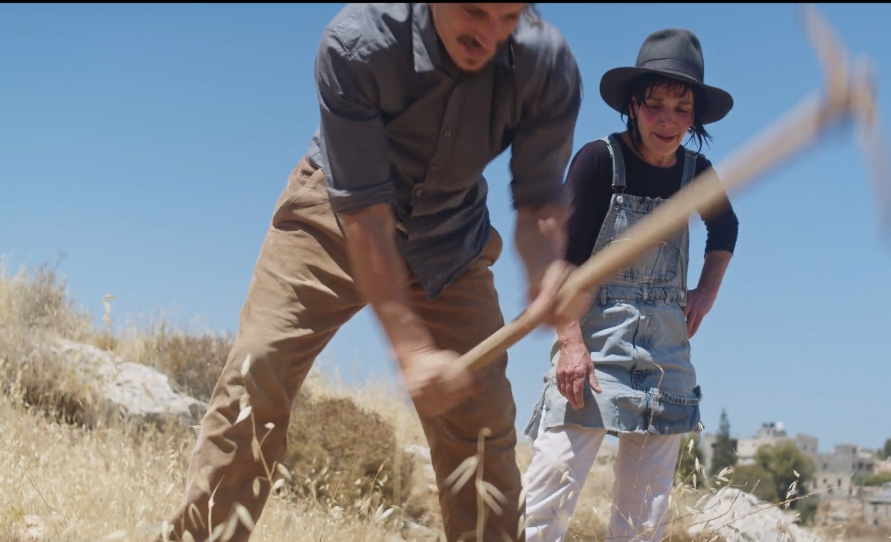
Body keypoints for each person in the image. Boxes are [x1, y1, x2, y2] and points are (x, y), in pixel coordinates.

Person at [161, 3, 583, 542]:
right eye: (475, 11)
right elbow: (365, 217)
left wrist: (546, 270)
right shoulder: (356, 43)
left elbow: (539, 200)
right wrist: (409, 347)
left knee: (482, 421)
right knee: (258, 370)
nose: (490, 34)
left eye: (508, 17)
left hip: (451, 235)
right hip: (336, 214)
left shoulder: (546, 66)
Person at [521, 28, 739, 542]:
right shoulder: (600, 162)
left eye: (681, 109)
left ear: (694, 117)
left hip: (666, 350)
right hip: (595, 342)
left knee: (644, 514)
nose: (667, 120)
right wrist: (570, 345)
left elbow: (725, 227)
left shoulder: (695, 173)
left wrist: (706, 292)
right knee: (551, 487)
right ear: (634, 106)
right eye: (656, 105)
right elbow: (560, 261)